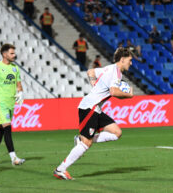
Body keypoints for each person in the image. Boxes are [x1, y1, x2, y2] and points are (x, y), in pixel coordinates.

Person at [53, 48, 134, 180]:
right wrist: (128, 95)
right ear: (122, 59)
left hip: (95, 108)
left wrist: (94, 84)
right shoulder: (116, 73)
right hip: (89, 107)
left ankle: (81, 139)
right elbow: (114, 92)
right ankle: (60, 169)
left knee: (116, 133)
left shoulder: (109, 68)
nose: (131, 63)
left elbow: (90, 71)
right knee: (86, 144)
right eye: (130, 60)